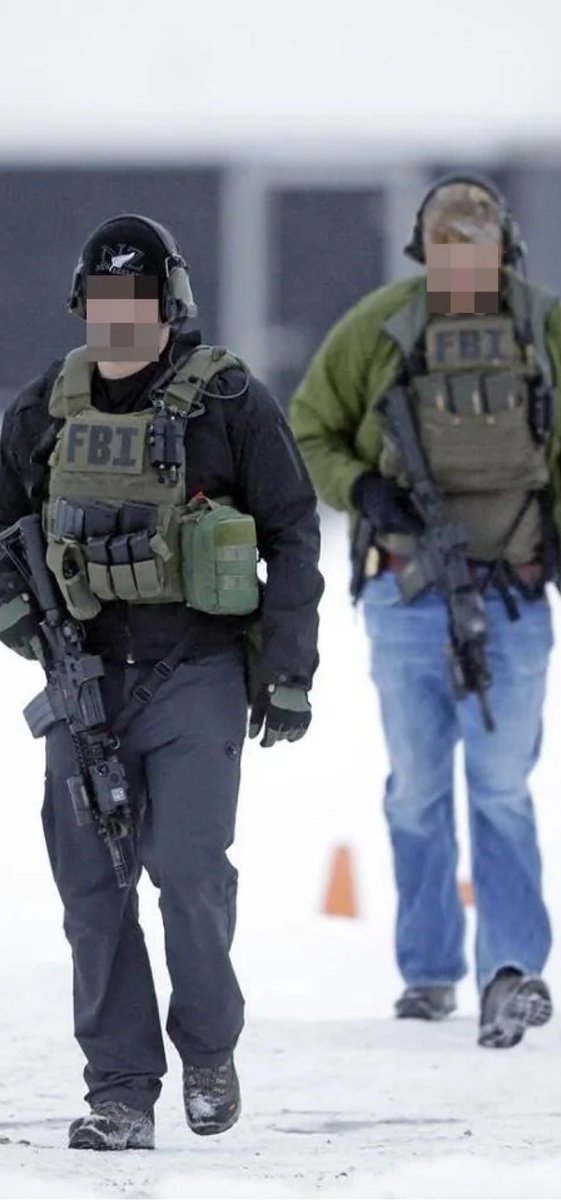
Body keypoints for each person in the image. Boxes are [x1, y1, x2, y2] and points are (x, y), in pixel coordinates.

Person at [0, 214, 323, 1149]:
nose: (118, 322)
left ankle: (209, 1049)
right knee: (93, 893)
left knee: (186, 871)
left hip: (197, 672)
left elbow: (294, 531)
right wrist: (20, 620)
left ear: (168, 306)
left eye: (135, 304)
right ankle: (121, 1090)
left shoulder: (226, 401)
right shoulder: (46, 408)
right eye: (103, 304)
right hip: (82, 679)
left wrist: (291, 671)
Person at [289, 174, 561, 1048]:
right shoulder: (383, 327)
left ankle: (511, 973)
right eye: (448, 251)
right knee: (419, 793)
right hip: (406, 594)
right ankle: (428, 973)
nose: (463, 266)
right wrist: (362, 490)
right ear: (426, 253)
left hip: (513, 597)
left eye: (479, 250)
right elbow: (308, 427)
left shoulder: (546, 330)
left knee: (500, 789)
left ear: (504, 251)